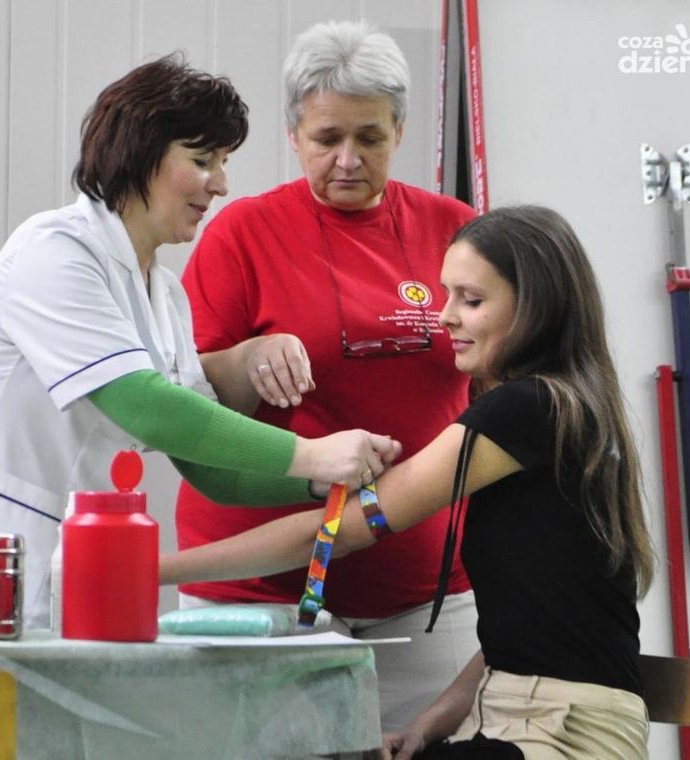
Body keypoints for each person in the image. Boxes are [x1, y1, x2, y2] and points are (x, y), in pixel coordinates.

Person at [163, 206, 657, 759]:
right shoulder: (570, 404)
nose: (445, 317)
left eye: (471, 301)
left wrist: (152, 571)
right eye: (444, 295)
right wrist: (428, 724)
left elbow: (334, 533)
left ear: (535, 310)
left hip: (560, 735)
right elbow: (523, 630)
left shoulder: (523, 410)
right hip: (526, 719)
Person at [0, 54, 396, 630]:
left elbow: (207, 467)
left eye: (222, 163)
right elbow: (145, 407)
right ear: (139, 153)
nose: (220, 184)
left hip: (65, 557)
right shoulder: (53, 251)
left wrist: (317, 479)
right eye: (202, 160)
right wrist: (314, 453)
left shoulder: (164, 295)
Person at [175, 19, 479, 728]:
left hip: (426, 586)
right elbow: (188, 396)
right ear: (293, 135)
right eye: (326, 139)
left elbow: (500, 380)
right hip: (261, 589)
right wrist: (249, 359)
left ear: (400, 131)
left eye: (369, 139)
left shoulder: (456, 229)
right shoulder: (242, 232)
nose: (348, 160)